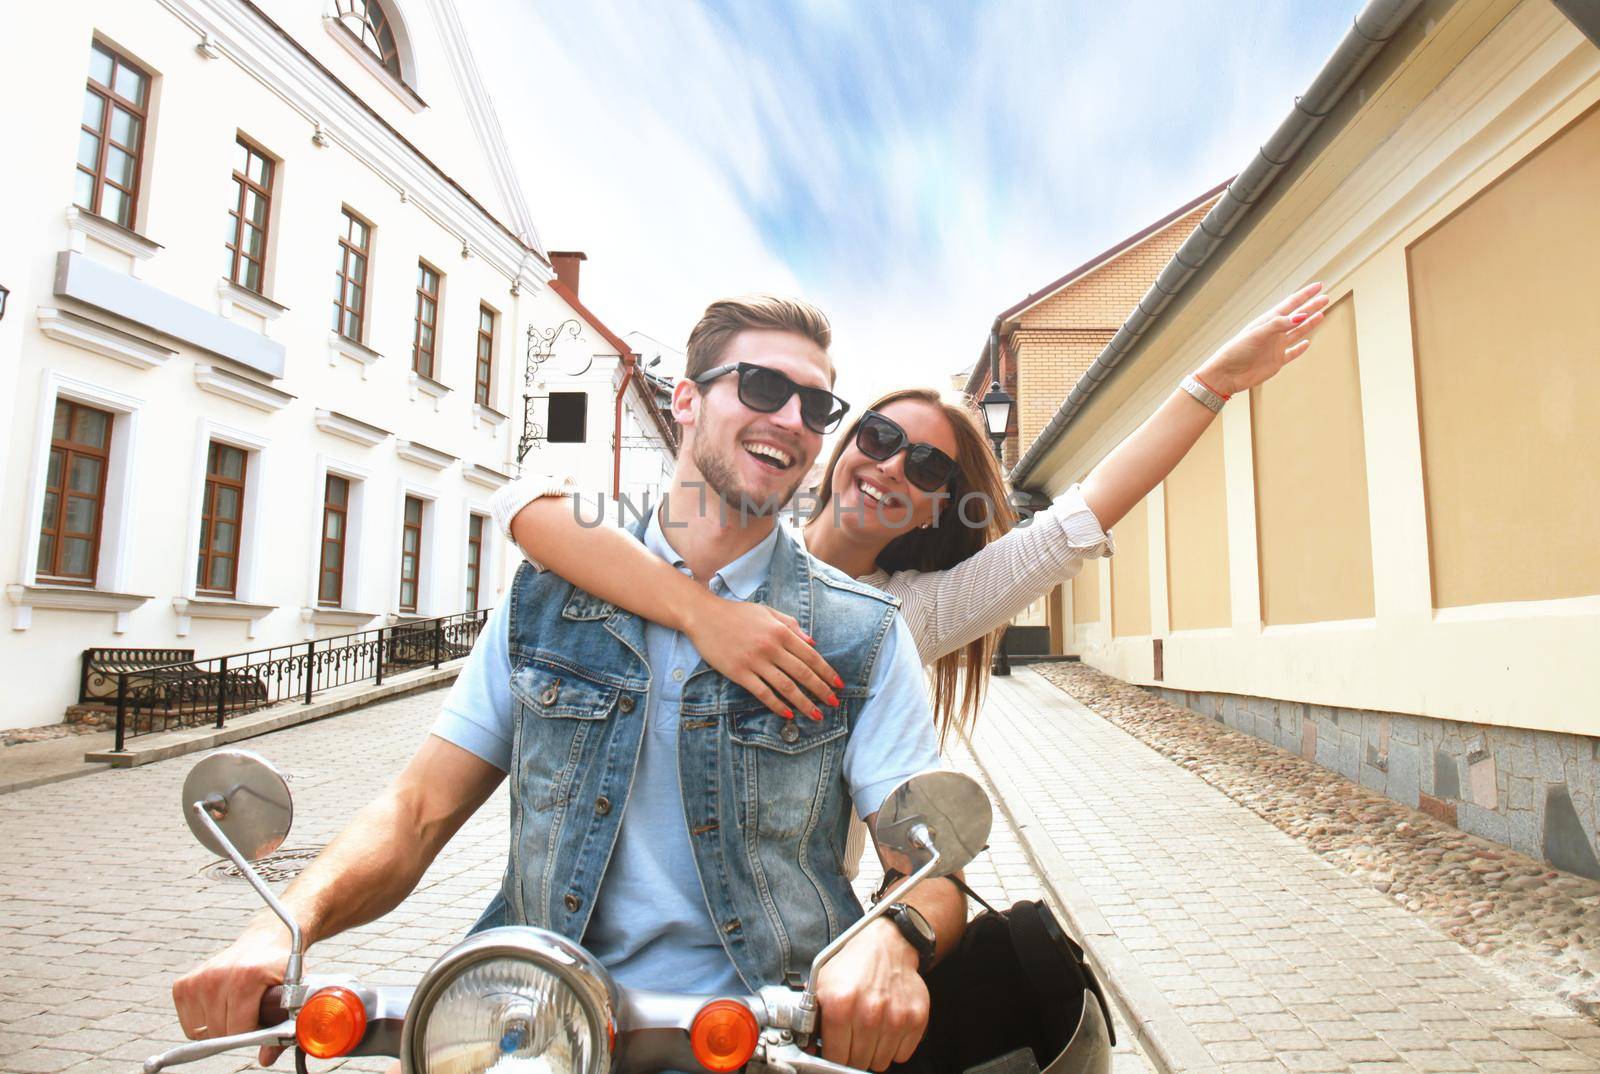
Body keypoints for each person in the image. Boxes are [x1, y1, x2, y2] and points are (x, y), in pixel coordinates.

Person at [171, 297, 967, 1074]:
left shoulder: (859, 633)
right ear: (685, 400)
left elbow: (931, 871)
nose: (792, 419)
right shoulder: (545, 601)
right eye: (762, 387)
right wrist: (282, 926)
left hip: (772, 1037)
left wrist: (894, 939)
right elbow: (415, 811)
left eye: (817, 405)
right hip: (529, 1025)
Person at [493, 282, 1330, 738]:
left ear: (937, 507)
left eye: (927, 464)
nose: (892, 465)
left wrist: (1209, 385)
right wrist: (706, 615)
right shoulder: (737, 527)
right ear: (842, 439)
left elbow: (1079, 517)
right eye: (882, 435)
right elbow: (533, 505)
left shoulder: (908, 615)